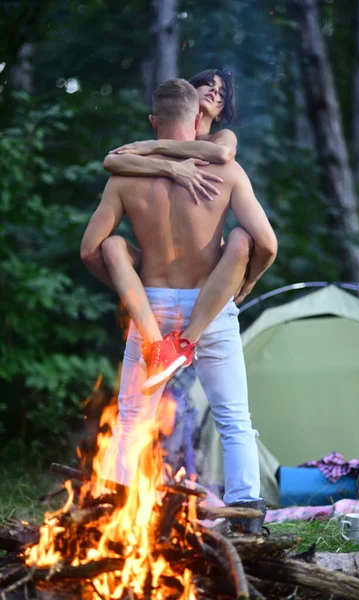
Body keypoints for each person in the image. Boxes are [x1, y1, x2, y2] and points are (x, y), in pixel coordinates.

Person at [80, 78, 277, 533]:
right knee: (233, 417)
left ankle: (118, 515)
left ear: (153, 124)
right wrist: (244, 284)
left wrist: (127, 291)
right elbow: (265, 243)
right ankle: (247, 514)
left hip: (150, 305)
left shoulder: (125, 177)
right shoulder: (227, 172)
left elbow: (92, 249)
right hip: (210, 305)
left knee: (131, 419)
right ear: (196, 120)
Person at [98, 70, 260, 392]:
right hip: (168, 291)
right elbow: (112, 161)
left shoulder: (221, 141)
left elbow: (222, 153)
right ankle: (177, 348)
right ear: (192, 100)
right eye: (208, 86)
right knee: (231, 420)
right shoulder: (158, 154)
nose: (215, 92)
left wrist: (149, 145)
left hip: (204, 292)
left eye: (222, 92)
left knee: (133, 420)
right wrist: (170, 164)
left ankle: (182, 344)